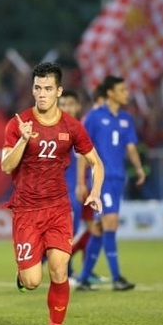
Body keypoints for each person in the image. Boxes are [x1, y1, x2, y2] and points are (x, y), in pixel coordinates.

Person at [1, 62, 104, 325]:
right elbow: (5, 166)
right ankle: (23, 277)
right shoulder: (18, 123)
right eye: (37, 88)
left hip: (59, 208)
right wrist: (23, 139)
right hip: (26, 211)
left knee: (59, 272)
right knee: (33, 281)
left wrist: (95, 191)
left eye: (48, 88)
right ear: (32, 89)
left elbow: (97, 162)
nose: (42, 94)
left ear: (58, 91)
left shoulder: (72, 127)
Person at [75, 75, 146, 292]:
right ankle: (117, 278)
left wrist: (139, 168)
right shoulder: (94, 117)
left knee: (99, 228)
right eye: (122, 90)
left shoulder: (126, 119)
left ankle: (84, 277)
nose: (127, 93)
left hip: (118, 179)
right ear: (110, 93)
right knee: (111, 222)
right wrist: (80, 182)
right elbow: (82, 151)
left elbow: (131, 147)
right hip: (100, 179)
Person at [57, 89, 106, 284]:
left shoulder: (80, 127)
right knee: (68, 232)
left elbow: (86, 158)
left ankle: (85, 272)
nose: (66, 108)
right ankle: (63, 271)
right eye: (63, 104)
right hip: (68, 190)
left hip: (84, 188)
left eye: (70, 103)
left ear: (77, 106)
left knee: (94, 228)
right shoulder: (54, 128)